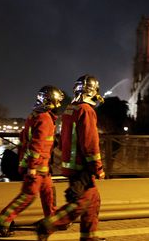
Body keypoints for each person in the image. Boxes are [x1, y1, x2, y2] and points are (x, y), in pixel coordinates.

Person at [36, 75, 106, 241]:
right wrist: (98, 167)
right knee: (80, 203)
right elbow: (90, 143)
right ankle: (48, 224)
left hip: (71, 163)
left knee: (93, 201)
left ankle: (88, 237)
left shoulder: (70, 109)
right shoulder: (87, 110)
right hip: (82, 166)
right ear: (92, 91)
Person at [0, 85, 64, 237]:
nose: (58, 105)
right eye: (57, 101)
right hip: (37, 165)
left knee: (48, 192)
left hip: (42, 165)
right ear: (50, 101)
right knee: (29, 195)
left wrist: (24, 162)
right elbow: (36, 145)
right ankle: (4, 219)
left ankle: (52, 220)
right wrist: (32, 166)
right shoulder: (45, 118)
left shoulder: (34, 115)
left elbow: (23, 140)